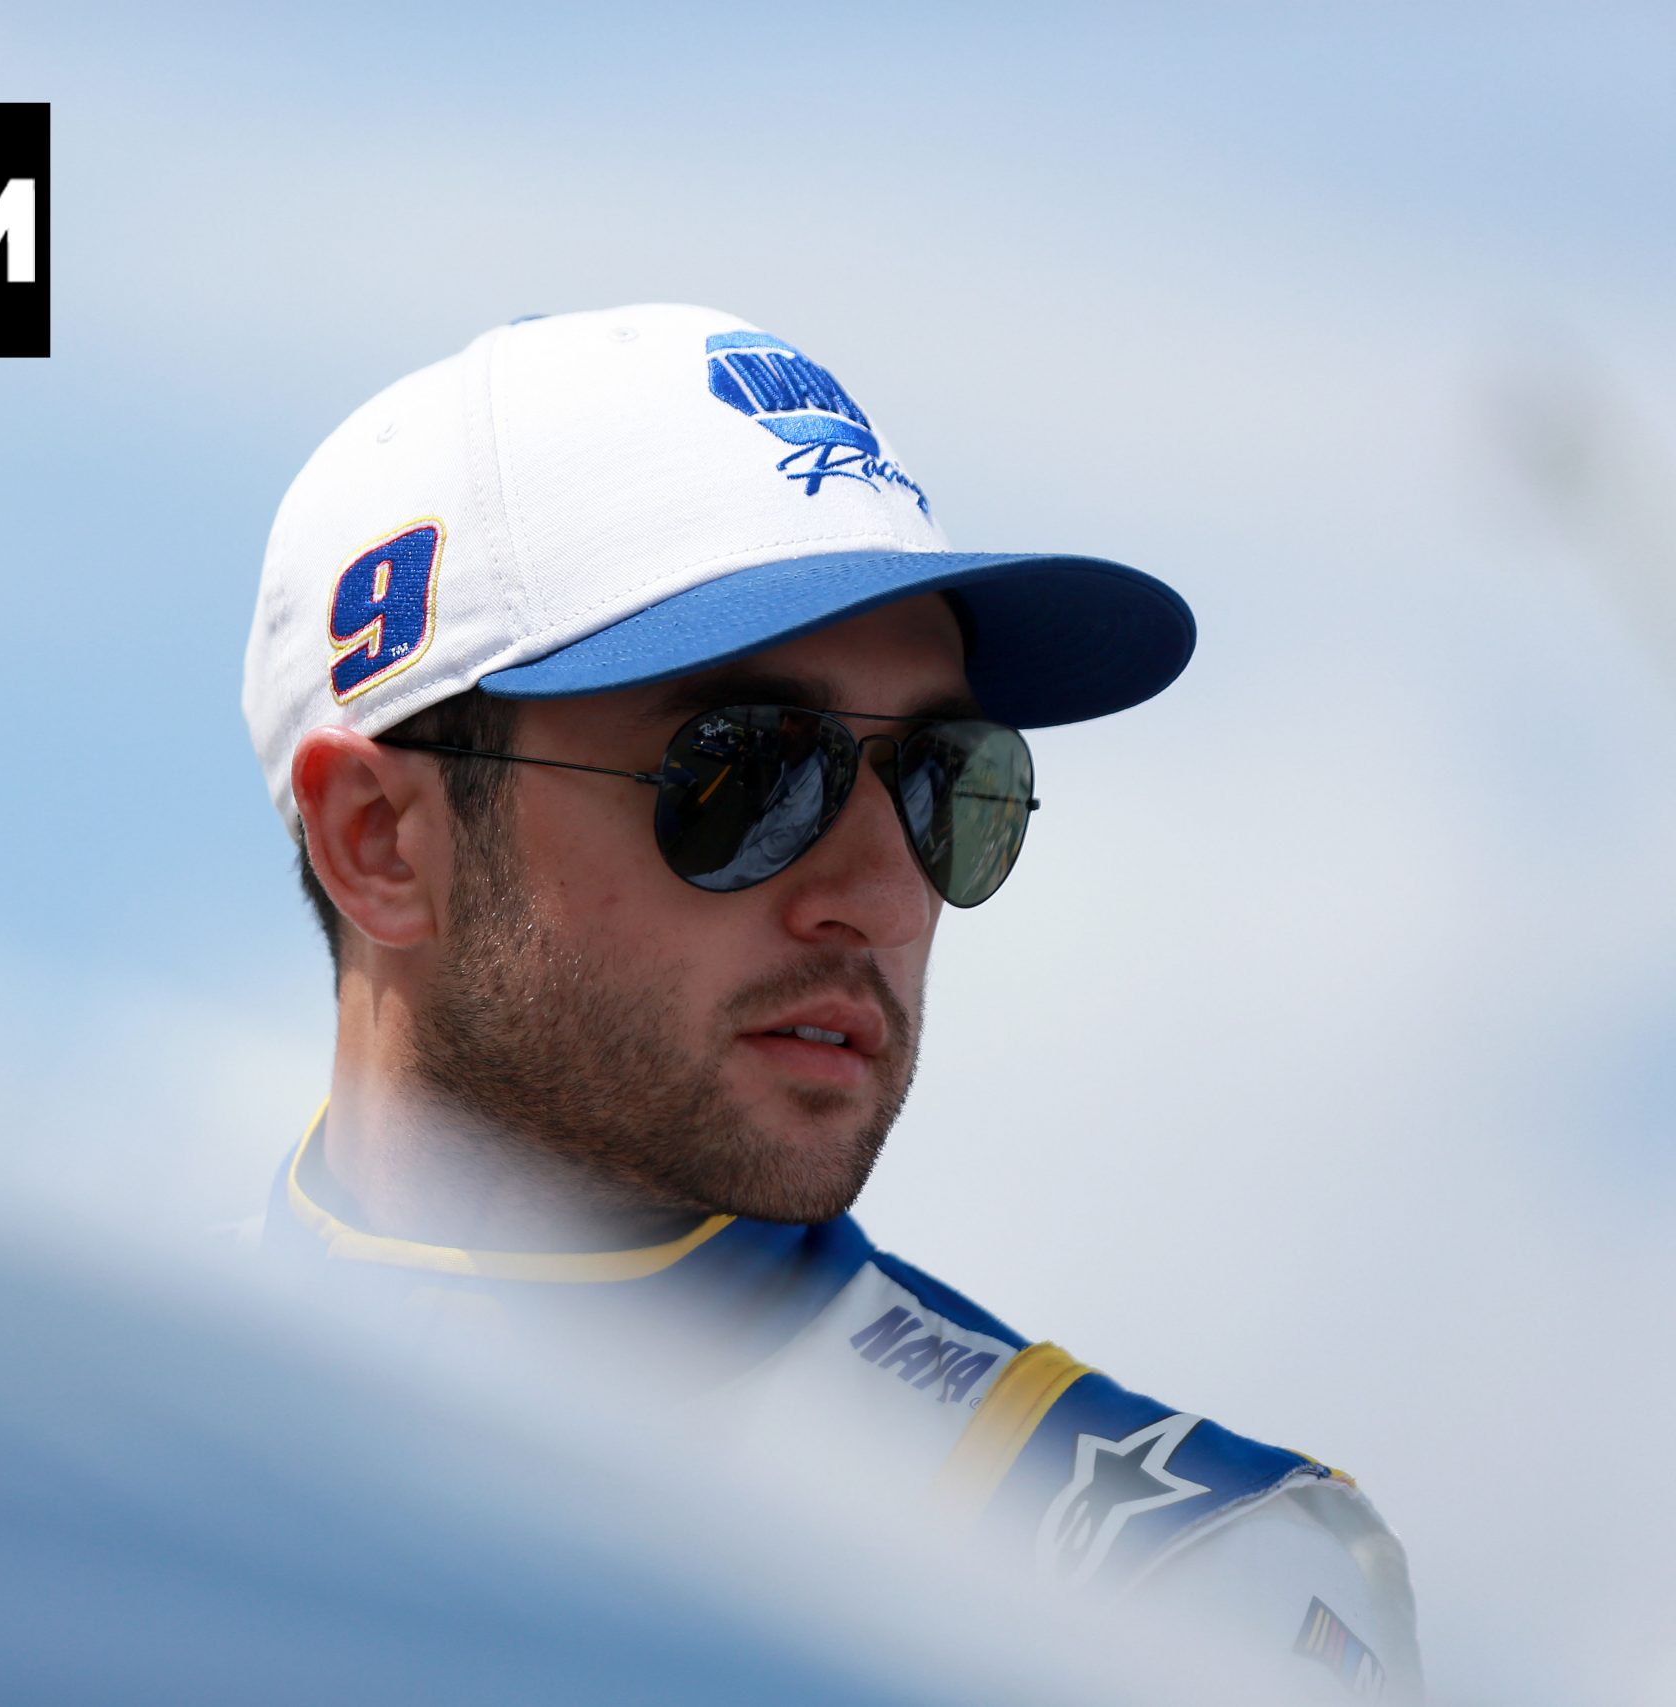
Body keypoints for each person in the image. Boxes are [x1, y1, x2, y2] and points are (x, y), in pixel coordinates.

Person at [240, 304, 1419, 1697]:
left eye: (941, 779)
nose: (884, 894)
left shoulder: (1177, 1591)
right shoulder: (7, 1433)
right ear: (381, 842)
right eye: (747, 772)